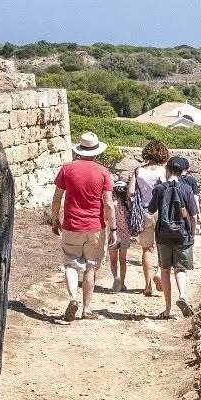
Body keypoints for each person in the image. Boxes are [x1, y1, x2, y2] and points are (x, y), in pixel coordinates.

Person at [51, 131, 117, 321]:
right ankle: (86, 309)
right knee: (90, 266)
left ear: (79, 150)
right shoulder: (104, 172)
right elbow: (108, 204)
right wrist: (112, 229)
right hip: (95, 226)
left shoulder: (67, 169)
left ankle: (73, 298)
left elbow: (57, 197)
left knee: (70, 263)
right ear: (96, 152)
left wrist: (55, 219)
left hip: (71, 224)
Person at [147, 155, 200, 319]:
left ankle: (168, 309)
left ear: (167, 169)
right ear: (184, 171)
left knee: (165, 270)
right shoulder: (187, 189)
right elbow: (194, 215)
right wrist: (192, 233)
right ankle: (183, 295)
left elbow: (150, 210)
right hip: (182, 234)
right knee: (180, 268)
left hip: (163, 235)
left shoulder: (159, 188)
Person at [126, 140, 169, 297]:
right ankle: (159, 273)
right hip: (161, 212)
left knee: (146, 249)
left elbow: (130, 192)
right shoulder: (163, 171)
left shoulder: (138, 171)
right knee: (163, 246)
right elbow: (167, 190)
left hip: (144, 211)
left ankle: (148, 285)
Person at [108, 179, 131, 291]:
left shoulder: (112, 205)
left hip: (113, 235)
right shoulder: (128, 205)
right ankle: (122, 283)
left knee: (113, 260)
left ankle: (115, 277)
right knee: (123, 260)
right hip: (125, 235)